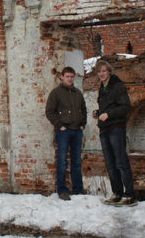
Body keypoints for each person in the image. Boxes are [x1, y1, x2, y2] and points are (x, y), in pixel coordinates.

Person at [93, 60, 137, 207]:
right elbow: (107, 107)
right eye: (99, 71)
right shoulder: (102, 88)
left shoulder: (118, 86)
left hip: (116, 128)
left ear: (109, 72)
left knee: (121, 162)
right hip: (104, 129)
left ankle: (130, 195)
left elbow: (125, 107)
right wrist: (98, 113)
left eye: (104, 71)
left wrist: (109, 114)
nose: (101, 74)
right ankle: (117, 193)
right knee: (110, 164)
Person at [45, 66, 87, 200]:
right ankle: (62, 190)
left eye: (72, 77)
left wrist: (82, 124)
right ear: (62, 77)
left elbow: (84, 110)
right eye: (67, 76)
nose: (69, 79)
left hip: (77, 131)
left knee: (76, 161)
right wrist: (59, 125)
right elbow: (49, 111)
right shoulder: (56, 93)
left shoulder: (77, 93)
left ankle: (78, 190)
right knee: (62, 161)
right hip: (64, 131)